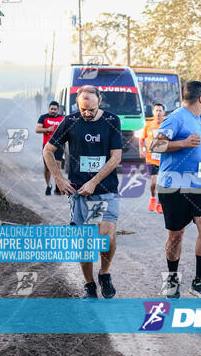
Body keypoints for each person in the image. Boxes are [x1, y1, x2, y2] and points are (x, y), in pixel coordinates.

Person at [43, 85, 122, 299]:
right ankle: (89, 285)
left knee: (107, 234)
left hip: (105, 187)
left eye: (91, 110)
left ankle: (104, 273)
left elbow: (116, 158)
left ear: (100, 101)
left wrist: (95, 181)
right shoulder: (70, 121)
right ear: (78, 104)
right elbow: (48, 151)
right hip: (79, 191)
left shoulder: (112, 121)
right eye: (83, 109)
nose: (87, 114)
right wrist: (59, 179)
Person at [149, 81, 201, 299]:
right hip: (174, 186)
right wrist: (184, 143)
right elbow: (155, 146)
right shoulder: (175, 117)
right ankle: (172, 280)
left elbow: (199, 148)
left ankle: (199, 282)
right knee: (176, 235)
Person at [140, 101, 167, 214]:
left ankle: (160, 203)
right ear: (153, 112)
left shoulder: (167, 124)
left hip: (164, 159)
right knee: (154, 183)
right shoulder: (149, 125)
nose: (158, 112)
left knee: (161, 183)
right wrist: (142, 150)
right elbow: (142, 139)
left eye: (160, 110)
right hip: (151, 158)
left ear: (163, 112)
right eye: (156, 110)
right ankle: (152, 197)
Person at [35, 101, 65, 196]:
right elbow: (37, 129)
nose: (53, 111)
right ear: (49, 109)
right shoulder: (43, 117)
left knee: (57, 166)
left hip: (59, 146)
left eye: (55, 109)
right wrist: (47, 129)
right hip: (47, 146)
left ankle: (58, 186)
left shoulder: (62, 118)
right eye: (51, 109)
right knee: (47, 168)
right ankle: (48, 185)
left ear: (58, 110)